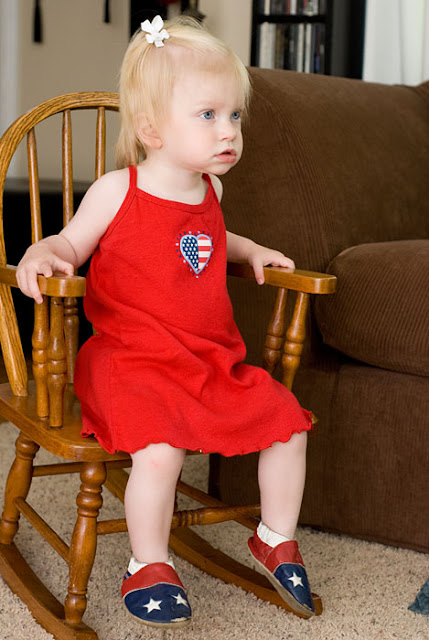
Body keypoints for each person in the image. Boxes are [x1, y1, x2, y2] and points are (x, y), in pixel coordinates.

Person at [16, 15, 315, 629]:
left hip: (206, 361)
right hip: (130, 363)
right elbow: (71, 244)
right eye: (208, 115)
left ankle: (275, 537)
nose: (228, 130)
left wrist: (251, 251)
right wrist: (44, 252)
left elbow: (211, 241)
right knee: (160, 449)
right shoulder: (117, 190)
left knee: (287, 422)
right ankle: (148, 564)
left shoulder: (211, 192)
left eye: (234, 115)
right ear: (152, 128)